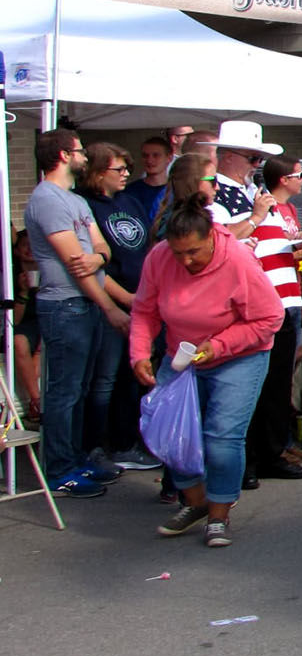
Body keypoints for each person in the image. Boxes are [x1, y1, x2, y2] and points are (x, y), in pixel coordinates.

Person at [133, 194, 282, 547]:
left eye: (194, 252)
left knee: (221, 438)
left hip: (239, 357)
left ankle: (219, 513)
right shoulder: (160, 258)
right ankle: (195, 503)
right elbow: (143, 311)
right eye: (178, 252)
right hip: (182, 355)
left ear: (211, 237)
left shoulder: (238, 261)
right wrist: (139, 353)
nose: (185, 261)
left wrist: (218, 345)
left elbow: (269, 317)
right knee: (171, 433)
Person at [24, 129, 128, 498]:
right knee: (65, 391)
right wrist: (109, 306)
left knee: (80, 388)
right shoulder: (48, 200)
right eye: (81, 150)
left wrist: (99, 257)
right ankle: (59, 469)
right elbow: (75, 265)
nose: (85, 156)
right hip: (65, 305)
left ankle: (76, 457)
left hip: (84, 304)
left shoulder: (76, 201)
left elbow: (100, 251)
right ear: (65, 155)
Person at [77, 143, 160, 472]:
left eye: (127, 168)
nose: (126, 173)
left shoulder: (131, 200)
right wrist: (124, 300)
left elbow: (148, 246)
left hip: (140, 300)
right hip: (110, 303)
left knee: (133, 375)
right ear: (98, 173)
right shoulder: (87, 206)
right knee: (105, 379)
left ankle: (128, 442)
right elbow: (94, 267)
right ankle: (97, 445)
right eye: (119, 169)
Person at [242, 155, 302, 485]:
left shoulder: (284, 211)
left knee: (278, 381)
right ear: (283, 179)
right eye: (300, 175)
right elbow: (252, 249)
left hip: (289, 297)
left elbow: (281, 250)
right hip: (268, 298)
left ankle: (274, 449)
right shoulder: (257, 205)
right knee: (259, 381)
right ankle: (253, 455)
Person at [207, 120, 282, 242]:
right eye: (253, 159)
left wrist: (299, 241)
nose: (257, 165)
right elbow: (217, 239)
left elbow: (278, 233)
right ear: (229, 157)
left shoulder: (259, 189)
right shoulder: (214, 191)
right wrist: (256, 217)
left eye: (260, 159)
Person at [11, 230, 43, 421]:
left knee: (44, 343)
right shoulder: (10, 275)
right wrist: (23, 292)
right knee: (19, 342)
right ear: (16, 251)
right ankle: (36, 401)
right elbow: (14, 321)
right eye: (25, 245)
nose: (30, 249)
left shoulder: (48, 271)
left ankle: (34, 404)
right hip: (22, 325)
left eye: (34, 245)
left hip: (43, 321)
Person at [124, 136, 172, 225]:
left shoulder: (176, 189)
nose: (150, 160)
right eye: (145, 156)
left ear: (169, 158)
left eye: (156, 155)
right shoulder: (130, 192)